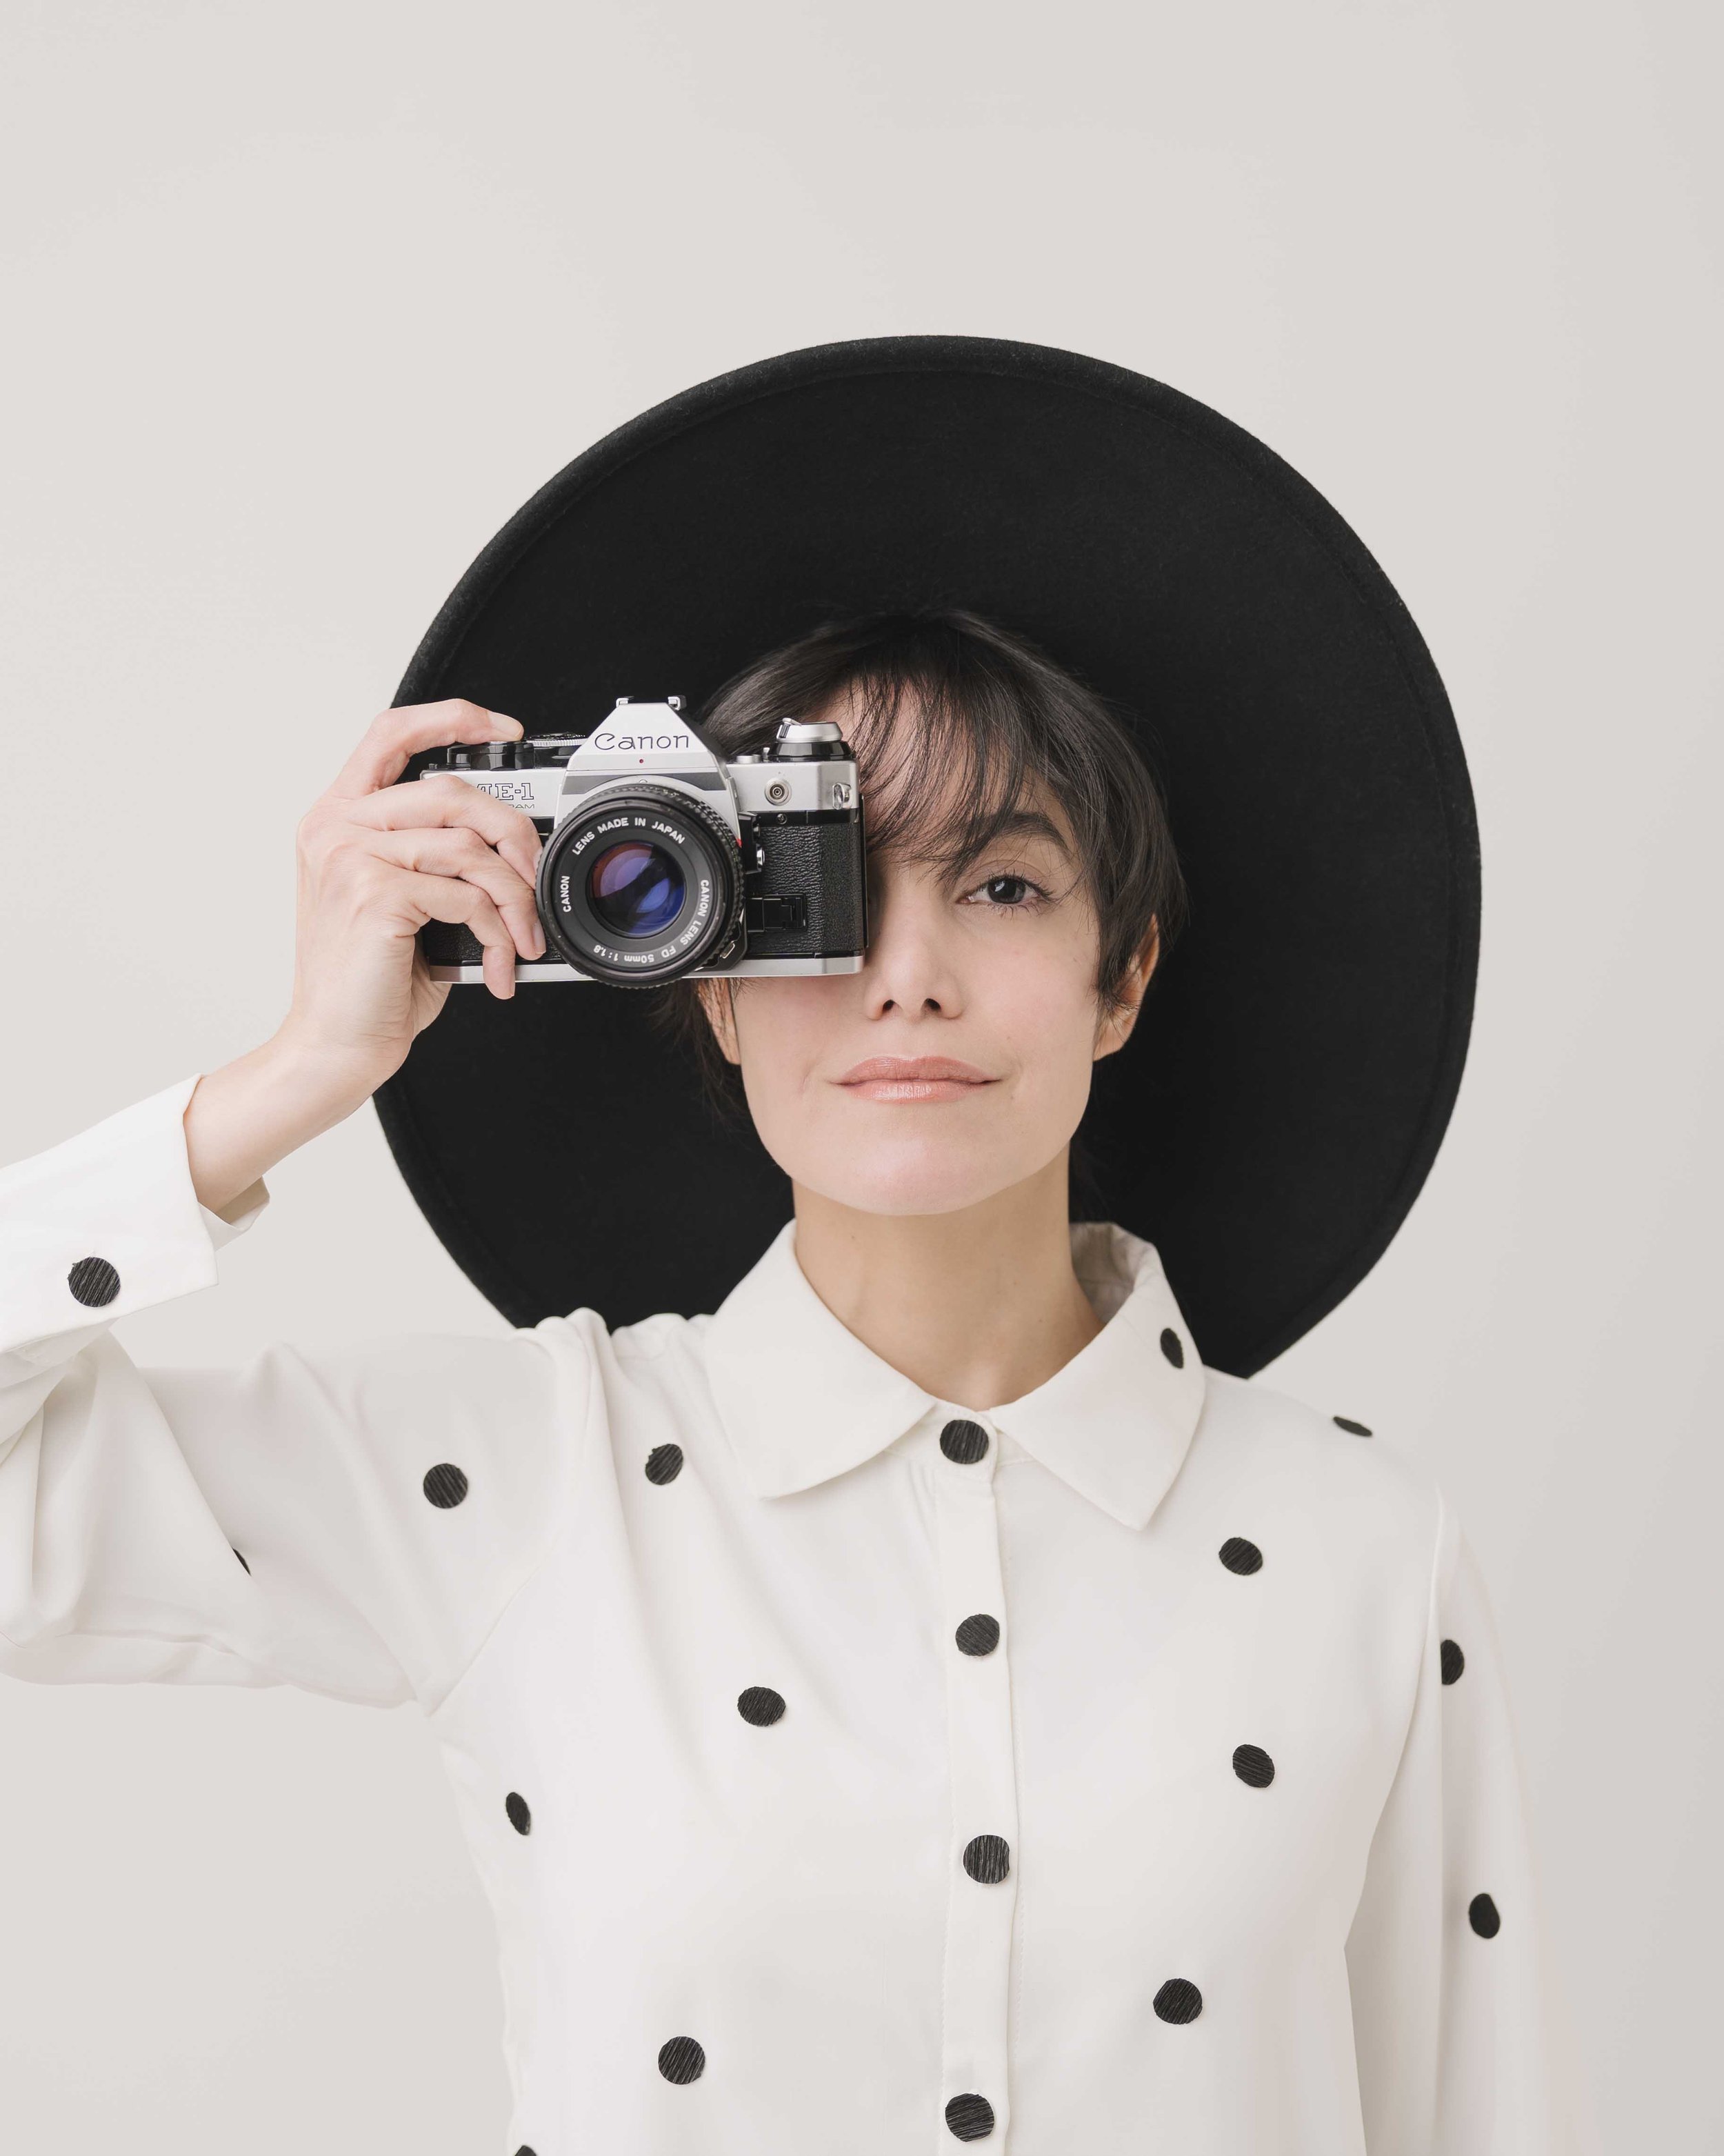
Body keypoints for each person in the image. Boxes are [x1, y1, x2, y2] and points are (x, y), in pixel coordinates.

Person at [1, 606, 1578, 2153]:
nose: (906, 975)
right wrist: (292, 1075)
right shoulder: (524, 1472)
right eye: (816, 888)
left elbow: (1473, 2113)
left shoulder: (1366, 1547)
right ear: (703, 974)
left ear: (1124, 979)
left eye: (1006, 887)